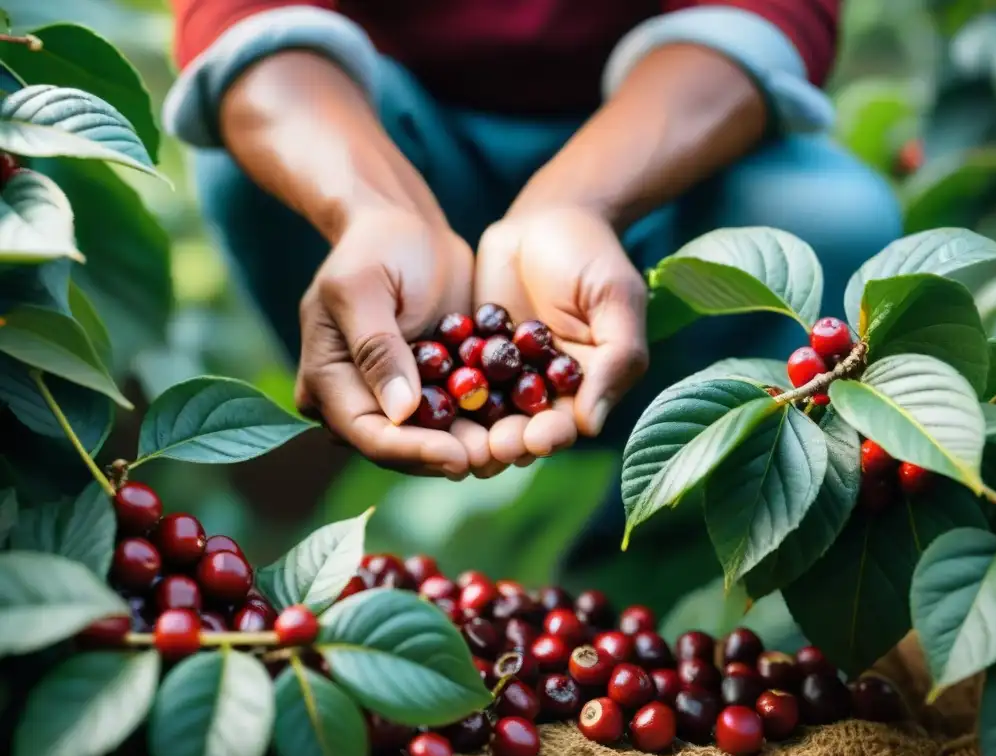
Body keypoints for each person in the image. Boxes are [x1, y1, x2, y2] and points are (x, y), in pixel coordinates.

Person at [164, 0, 902, 487]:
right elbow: (242, 17)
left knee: (837, 223)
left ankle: (667, 547)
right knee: (243, 169)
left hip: (657, 139)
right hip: (392, 125)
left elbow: (767, 11)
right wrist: (370, 210)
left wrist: (577, 202)